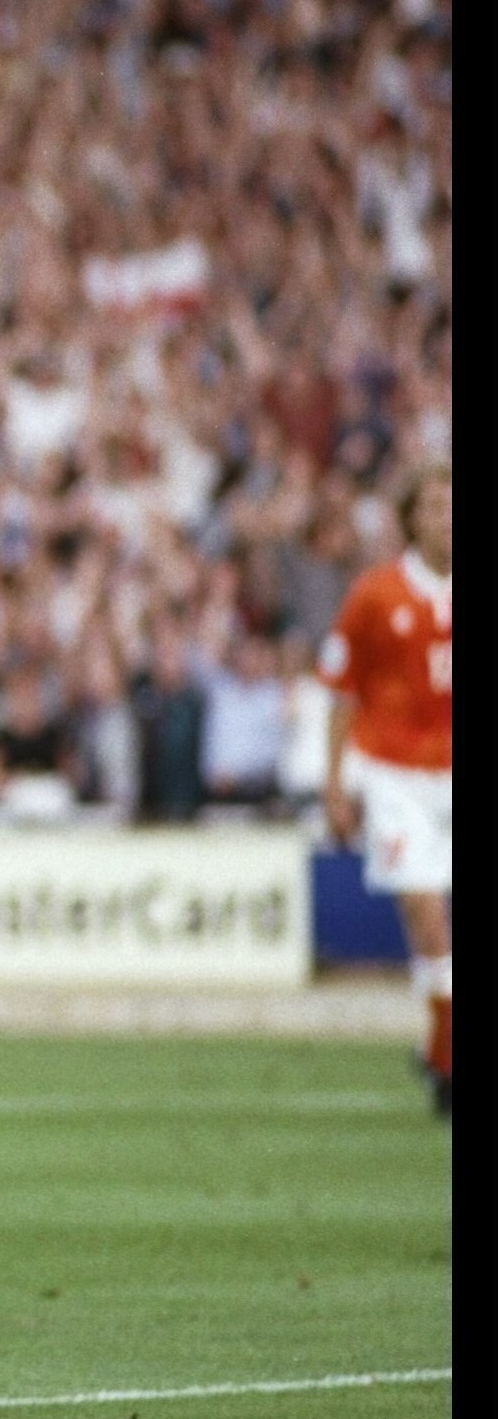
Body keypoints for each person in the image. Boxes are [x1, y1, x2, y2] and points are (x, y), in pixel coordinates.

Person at [319, 465, 453, 1117]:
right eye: (434, 506)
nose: (447, 517)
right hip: (397, 774)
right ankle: (450, 1060)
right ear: (413, 518)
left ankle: (440, 1048)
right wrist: (334, 784)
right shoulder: (375, 595)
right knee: (426, 915)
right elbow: (342, 692)